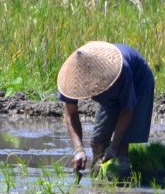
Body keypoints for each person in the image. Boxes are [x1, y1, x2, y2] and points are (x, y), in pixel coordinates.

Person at [57, 41, 155, 179]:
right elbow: (71, 115)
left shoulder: (120, 72)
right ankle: (98, 186)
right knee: (97, 143)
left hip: (138, 85)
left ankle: (121, 185)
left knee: (121, 147)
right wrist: (79, 150)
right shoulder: (70, 78)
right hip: (111, 91)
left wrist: (114, 146)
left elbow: (128, 109)